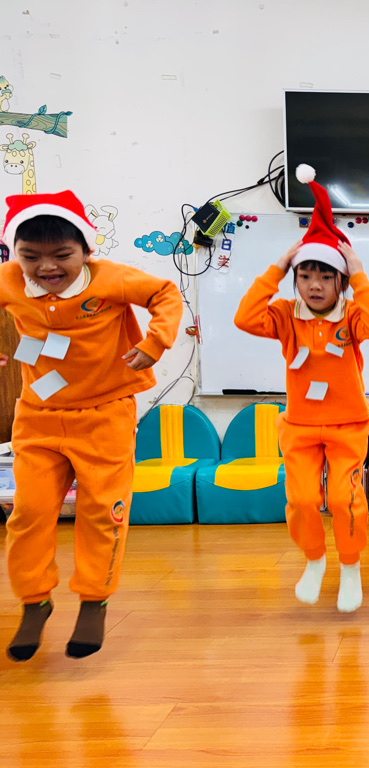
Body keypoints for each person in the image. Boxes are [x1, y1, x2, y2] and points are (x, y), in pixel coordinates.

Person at [0, 190, 182, 660]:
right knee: (28, 512)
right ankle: (34, 602)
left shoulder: (110, 279)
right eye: (30, 257)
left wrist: (155, 343)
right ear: (14, 254)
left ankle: (94, 600)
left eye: (62, 255)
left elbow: (165, 293)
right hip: (39, 416)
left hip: (105, 414)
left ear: (85, 249)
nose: (46, 268)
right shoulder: (10, 280)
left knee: (103, 511)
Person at [235, 165, 369, 612]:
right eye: (305, 275)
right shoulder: (285, 314)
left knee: (344, 498)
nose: (315, 285)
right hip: (300, 425)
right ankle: (315, 560)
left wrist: (359, 274)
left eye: (325, 276)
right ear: (295, 278)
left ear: (340, 280)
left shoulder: (352, 315)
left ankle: (351, 566)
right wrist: (278, 266)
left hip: (347, 425)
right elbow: (245, 318)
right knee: (302, 499)